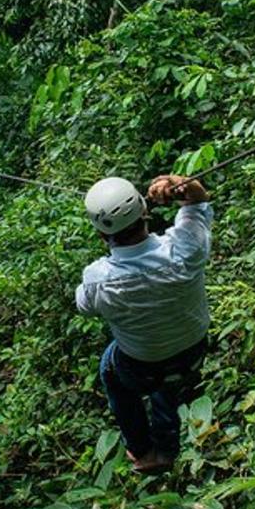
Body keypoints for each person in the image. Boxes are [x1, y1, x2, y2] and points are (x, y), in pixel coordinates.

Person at [75, 174, 212, 473]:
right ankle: (168, 441)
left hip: (142, 366)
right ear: (145, 212)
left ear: (101, 234)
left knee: (110, 369)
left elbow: (83, 305)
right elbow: (198, 202)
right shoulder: (186, 251)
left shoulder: (98, 279)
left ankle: (142, 450)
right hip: (194, 348)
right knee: (164, 371)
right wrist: (178, 184)